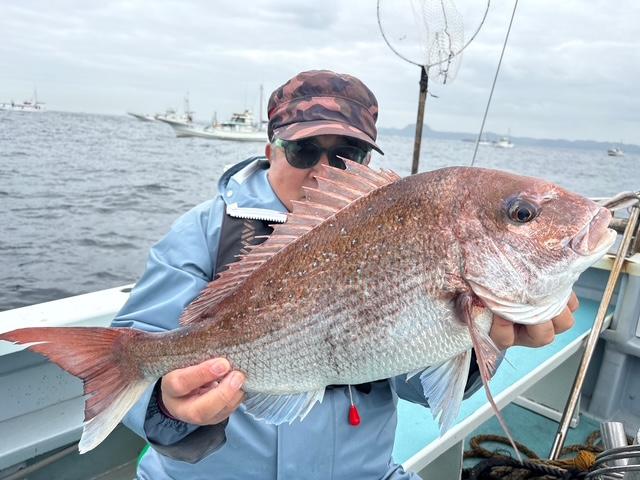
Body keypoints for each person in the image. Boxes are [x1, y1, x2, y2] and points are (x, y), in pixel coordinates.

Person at [111, 70, 578, 479]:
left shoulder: (399, 227)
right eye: (303, 150)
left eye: (347, 154)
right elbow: (133, 356)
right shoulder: (206, 230)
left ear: (367, 161)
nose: (322, 170)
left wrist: (480, 343)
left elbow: (412, 379)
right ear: (271, 150)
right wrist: (167, 405)